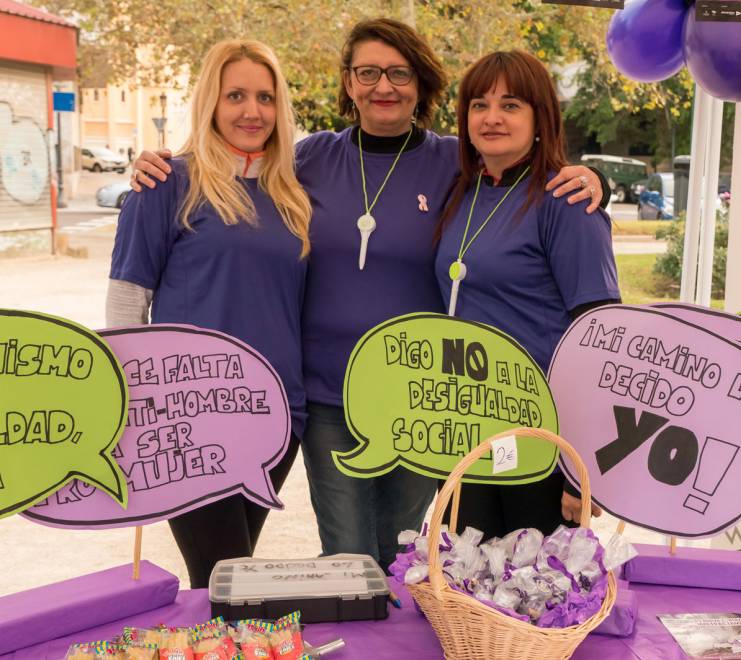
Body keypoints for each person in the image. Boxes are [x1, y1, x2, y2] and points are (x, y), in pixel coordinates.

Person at [129, 18, 609, 571]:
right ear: (349, 82)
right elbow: (240, 171)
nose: (384, 85)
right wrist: (160, 165)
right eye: (368, 72)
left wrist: (594, 179)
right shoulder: (305, 160)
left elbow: (525, 172)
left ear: (421, 84)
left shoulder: (455, 163)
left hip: (422, 398)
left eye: (400, 73)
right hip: (329, 392)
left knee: (403, 553)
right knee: (348, 554)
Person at [106, 39, 312, 587]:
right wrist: (129, 407)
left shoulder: (290, 192)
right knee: (228, 580)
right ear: (210, 103)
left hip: (278, 416)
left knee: (229, 578)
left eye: (265, 97)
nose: (252, 111)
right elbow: (128, 301)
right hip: (190, 420)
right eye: (236, 95)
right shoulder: (166, 182)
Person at [434, 50, 621, 539]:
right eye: (479, 104)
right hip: (468, 432)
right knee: (469, 585)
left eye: (511, 104)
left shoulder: (568, 202)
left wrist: (582, 468)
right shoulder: (462, 193)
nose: (492, 117)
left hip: (544, 439)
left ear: (541, 117)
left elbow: (601, 340)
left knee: (535, 597)